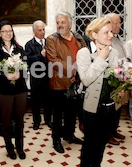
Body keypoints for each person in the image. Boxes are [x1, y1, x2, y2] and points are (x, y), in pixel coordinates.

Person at [76, 17, 124, 167]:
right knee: (90, 144)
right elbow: (86, 79)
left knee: (101, 144)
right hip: (92, 107)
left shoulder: (114, 52)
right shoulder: (84, 53)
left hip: (110, 106)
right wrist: (101, 58)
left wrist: (120, 89)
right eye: (106, 32)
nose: (111, 35)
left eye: (111, 32)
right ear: (94, 35)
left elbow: (116, 78)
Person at [45, 11, 85, 154]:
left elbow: (85, 56)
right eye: (58, 23)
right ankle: (56, 139)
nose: (60, 25)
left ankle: (69, 135)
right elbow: (53, 60)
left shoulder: (79, 38)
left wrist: (80, 73)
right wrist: (73, 70)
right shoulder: (51, 39)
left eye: (63, 22)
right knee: (58, 114)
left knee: (72, 112)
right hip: (59, 82)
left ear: (70, 23)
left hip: (76, 82)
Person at [0, 21, 28, 160]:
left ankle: (20, 148)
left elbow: (25, 68)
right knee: (5, 121)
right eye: (4, 31)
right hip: (4, 90)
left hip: (20, 89)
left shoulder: (20, 49)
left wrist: (20, 74)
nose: (8, 33)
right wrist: (5, 75)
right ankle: (9, 148)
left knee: (20, 121)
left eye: (10, 30)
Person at [25, 20, 52, 130]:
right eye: (39, 30)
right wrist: (40, 55)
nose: (42, 32)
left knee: (48, 100)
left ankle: (48, 120)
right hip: (36, 77)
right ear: (34, 31)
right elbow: (28, 60)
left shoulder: (49, 42)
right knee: (35, 100)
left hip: (48, 76)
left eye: (43, 29)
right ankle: (36, 121)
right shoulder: (29, 44)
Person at [104, 13, 127, 145]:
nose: (119, 25)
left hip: (121, 79)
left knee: (117, 109)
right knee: (110, 110)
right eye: (116, 23)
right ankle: (107, 134)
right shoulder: (107, 41)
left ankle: (113, 130)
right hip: (112, 80)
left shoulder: (117, 39)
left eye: (119, 23)